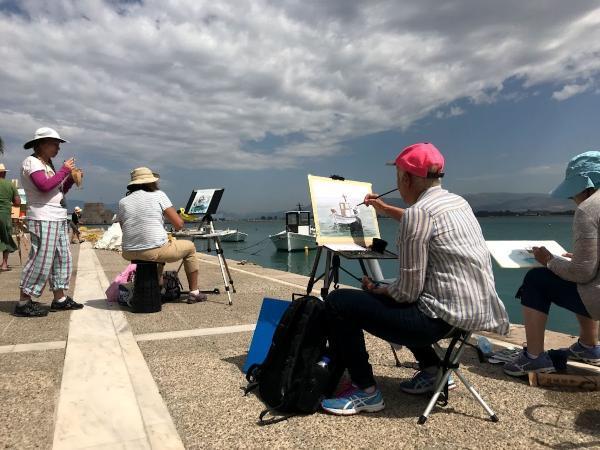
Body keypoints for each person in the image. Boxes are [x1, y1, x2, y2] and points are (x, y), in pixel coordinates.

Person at [320, 142, 509, 416]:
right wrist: (384, 209)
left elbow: (407, 293)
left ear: (406, 179)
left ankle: (366, 391)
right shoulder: (458, 202)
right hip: (469, 317)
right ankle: (433, 371)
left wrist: (378, 291)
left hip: (436, 323)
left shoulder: (418, 215)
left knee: (339, 302)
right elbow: (418, 222)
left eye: (397, 178)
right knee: (394, 292)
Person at [504, 151, 600, 376]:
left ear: (585, 186)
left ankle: (534, 357)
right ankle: (589, 346)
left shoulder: (588, 209)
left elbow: (582, 273)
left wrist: (548, 260)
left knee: (536, 279)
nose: (572, 199)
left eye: (572, 193)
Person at [15, 127, 84, 317]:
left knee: (62, 258)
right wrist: (64, 170)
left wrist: (70, 178)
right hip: (42, 216)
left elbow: (58, 190)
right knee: (41, 259)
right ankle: (24, 301)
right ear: (41, 144)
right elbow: (44, 186)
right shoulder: (32, 162)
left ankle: (60, 298)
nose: (58, 148)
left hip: (56, 216)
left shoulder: (48, 164)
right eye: (55, 144)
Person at [117, 167, 207, 302]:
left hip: (129, 251)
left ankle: (157, 285)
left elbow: (124, 228)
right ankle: (194, 292)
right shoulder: (159, 195)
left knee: (156, 246)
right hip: (153, 251)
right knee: (190, 248)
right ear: (151, 182)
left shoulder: (123, 201)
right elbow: (179, 224)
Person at [0, 163, 20, 271]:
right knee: (6, 237)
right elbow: (17, 202)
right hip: (4, 215)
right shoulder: (10, 185)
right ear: (4, 173)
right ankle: (4, 264)